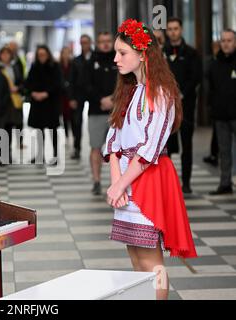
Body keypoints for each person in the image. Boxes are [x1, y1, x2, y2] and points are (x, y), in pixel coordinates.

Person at [103, 19, 197, 300]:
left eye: (122, 53)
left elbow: (149, 149)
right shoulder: (131, 91)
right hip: (127, 178)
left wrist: (120, 185)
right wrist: (116, 182)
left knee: (151, 262)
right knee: (135, 257)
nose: (116, 58)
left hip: (149, 179)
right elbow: (113, 143)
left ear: (143, 54)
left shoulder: (162, 93)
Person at [164, 17, 202, 194]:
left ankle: (186, 182)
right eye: (170, 29)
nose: (172, 32)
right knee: (167, 146)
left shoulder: (192, 53)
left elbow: (196, 77)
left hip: (186, 105)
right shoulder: (160, 53)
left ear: (181, 30)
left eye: (175, 28)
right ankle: (168, 183)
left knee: (187, 145)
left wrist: (181, 93)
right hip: (165, 107)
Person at [86, 31, 118, 196]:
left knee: (118, 149)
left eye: (108, 41)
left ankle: (117, 181)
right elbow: (86, 84)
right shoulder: (91, 61)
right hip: (96, 110)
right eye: (102, 41)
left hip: (117, 111)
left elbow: (126, 82)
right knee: (95, 147)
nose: (105, 44)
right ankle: (96, 181)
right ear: (97, 43)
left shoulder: (119, 58)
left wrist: (113, 99)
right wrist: (101, 100)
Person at [208, 29, 236, 195]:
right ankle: (225, 183)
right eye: (223, 40)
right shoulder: (214, 63)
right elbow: (211, 88)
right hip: (220, 115)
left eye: (229, 40)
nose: (225, 43)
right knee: (224, 151)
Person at [26, 45, 62, 166]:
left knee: (52, 130)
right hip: (37, 103)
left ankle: (55, 155)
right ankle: (40, 155)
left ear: (48, 55)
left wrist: (46, 93)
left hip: (50, 103)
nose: (42, 57)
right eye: (39, 55)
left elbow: (58, 83)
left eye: (44, 54)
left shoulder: (55, 66)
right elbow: (28, 82)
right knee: (39, 131)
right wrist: (33, 93)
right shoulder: (34, 66)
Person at [69, 34, 94, 160]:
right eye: (82, 42)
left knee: (94, 119)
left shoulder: (96, 58)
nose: (85, 45)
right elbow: (71, 80)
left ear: (91, 43)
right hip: (79, 93)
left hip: (94, 93)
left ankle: (97, 147)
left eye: (86, 42)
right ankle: (77, 147)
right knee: (77, 121)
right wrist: (72, 98)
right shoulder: (76, 60)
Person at [0, 46, 25, 158]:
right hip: (2, 100)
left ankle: (7, 151)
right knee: (0, 127)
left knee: (10, 126)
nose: (5, 56)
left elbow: (21, 81)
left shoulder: (15, 67)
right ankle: (0, 152)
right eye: (3, 54)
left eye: (7, 54)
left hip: (14, 100)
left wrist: (17, 88)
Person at [59, 47, 73, 140]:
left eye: (67, 53)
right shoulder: (58, 65)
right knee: (64, 116)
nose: (66, 55)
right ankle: (66, 136)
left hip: (70, 94)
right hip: (62, 94)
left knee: (71, 116)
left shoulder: (73, 64)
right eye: (64, 53)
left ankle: (72, 135)